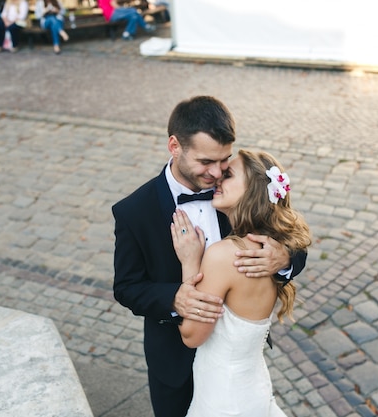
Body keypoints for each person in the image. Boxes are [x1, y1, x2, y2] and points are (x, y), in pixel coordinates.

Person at [112, 96, 307, 417]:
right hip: (173, 362)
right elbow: (127, 287)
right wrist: (176, 297)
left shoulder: (234, 196)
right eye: (206, 162)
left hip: (228, 366)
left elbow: (288, 234)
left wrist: (284, 259)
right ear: (175, 146)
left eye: (224, 161)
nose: (217, 172)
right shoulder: (135, 211)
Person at [172, 149, 312, 416]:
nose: (217, 180)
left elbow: (192, 336)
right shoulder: (272, 249)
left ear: (252, 191)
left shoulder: (224, 255)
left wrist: (190, 263)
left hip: (224, 400)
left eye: (228, 175)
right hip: (252, 388)